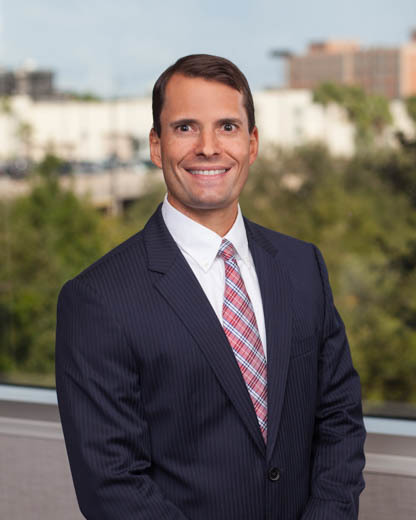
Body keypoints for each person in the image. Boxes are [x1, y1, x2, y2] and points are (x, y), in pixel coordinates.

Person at [56, 54, 366, 520]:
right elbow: (112, 484)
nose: (208, 147)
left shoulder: (304, 267)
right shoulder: (97, 300)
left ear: (251, 143)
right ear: (156, 146)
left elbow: (339, 419)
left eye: (227, 127)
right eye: (185, 128)